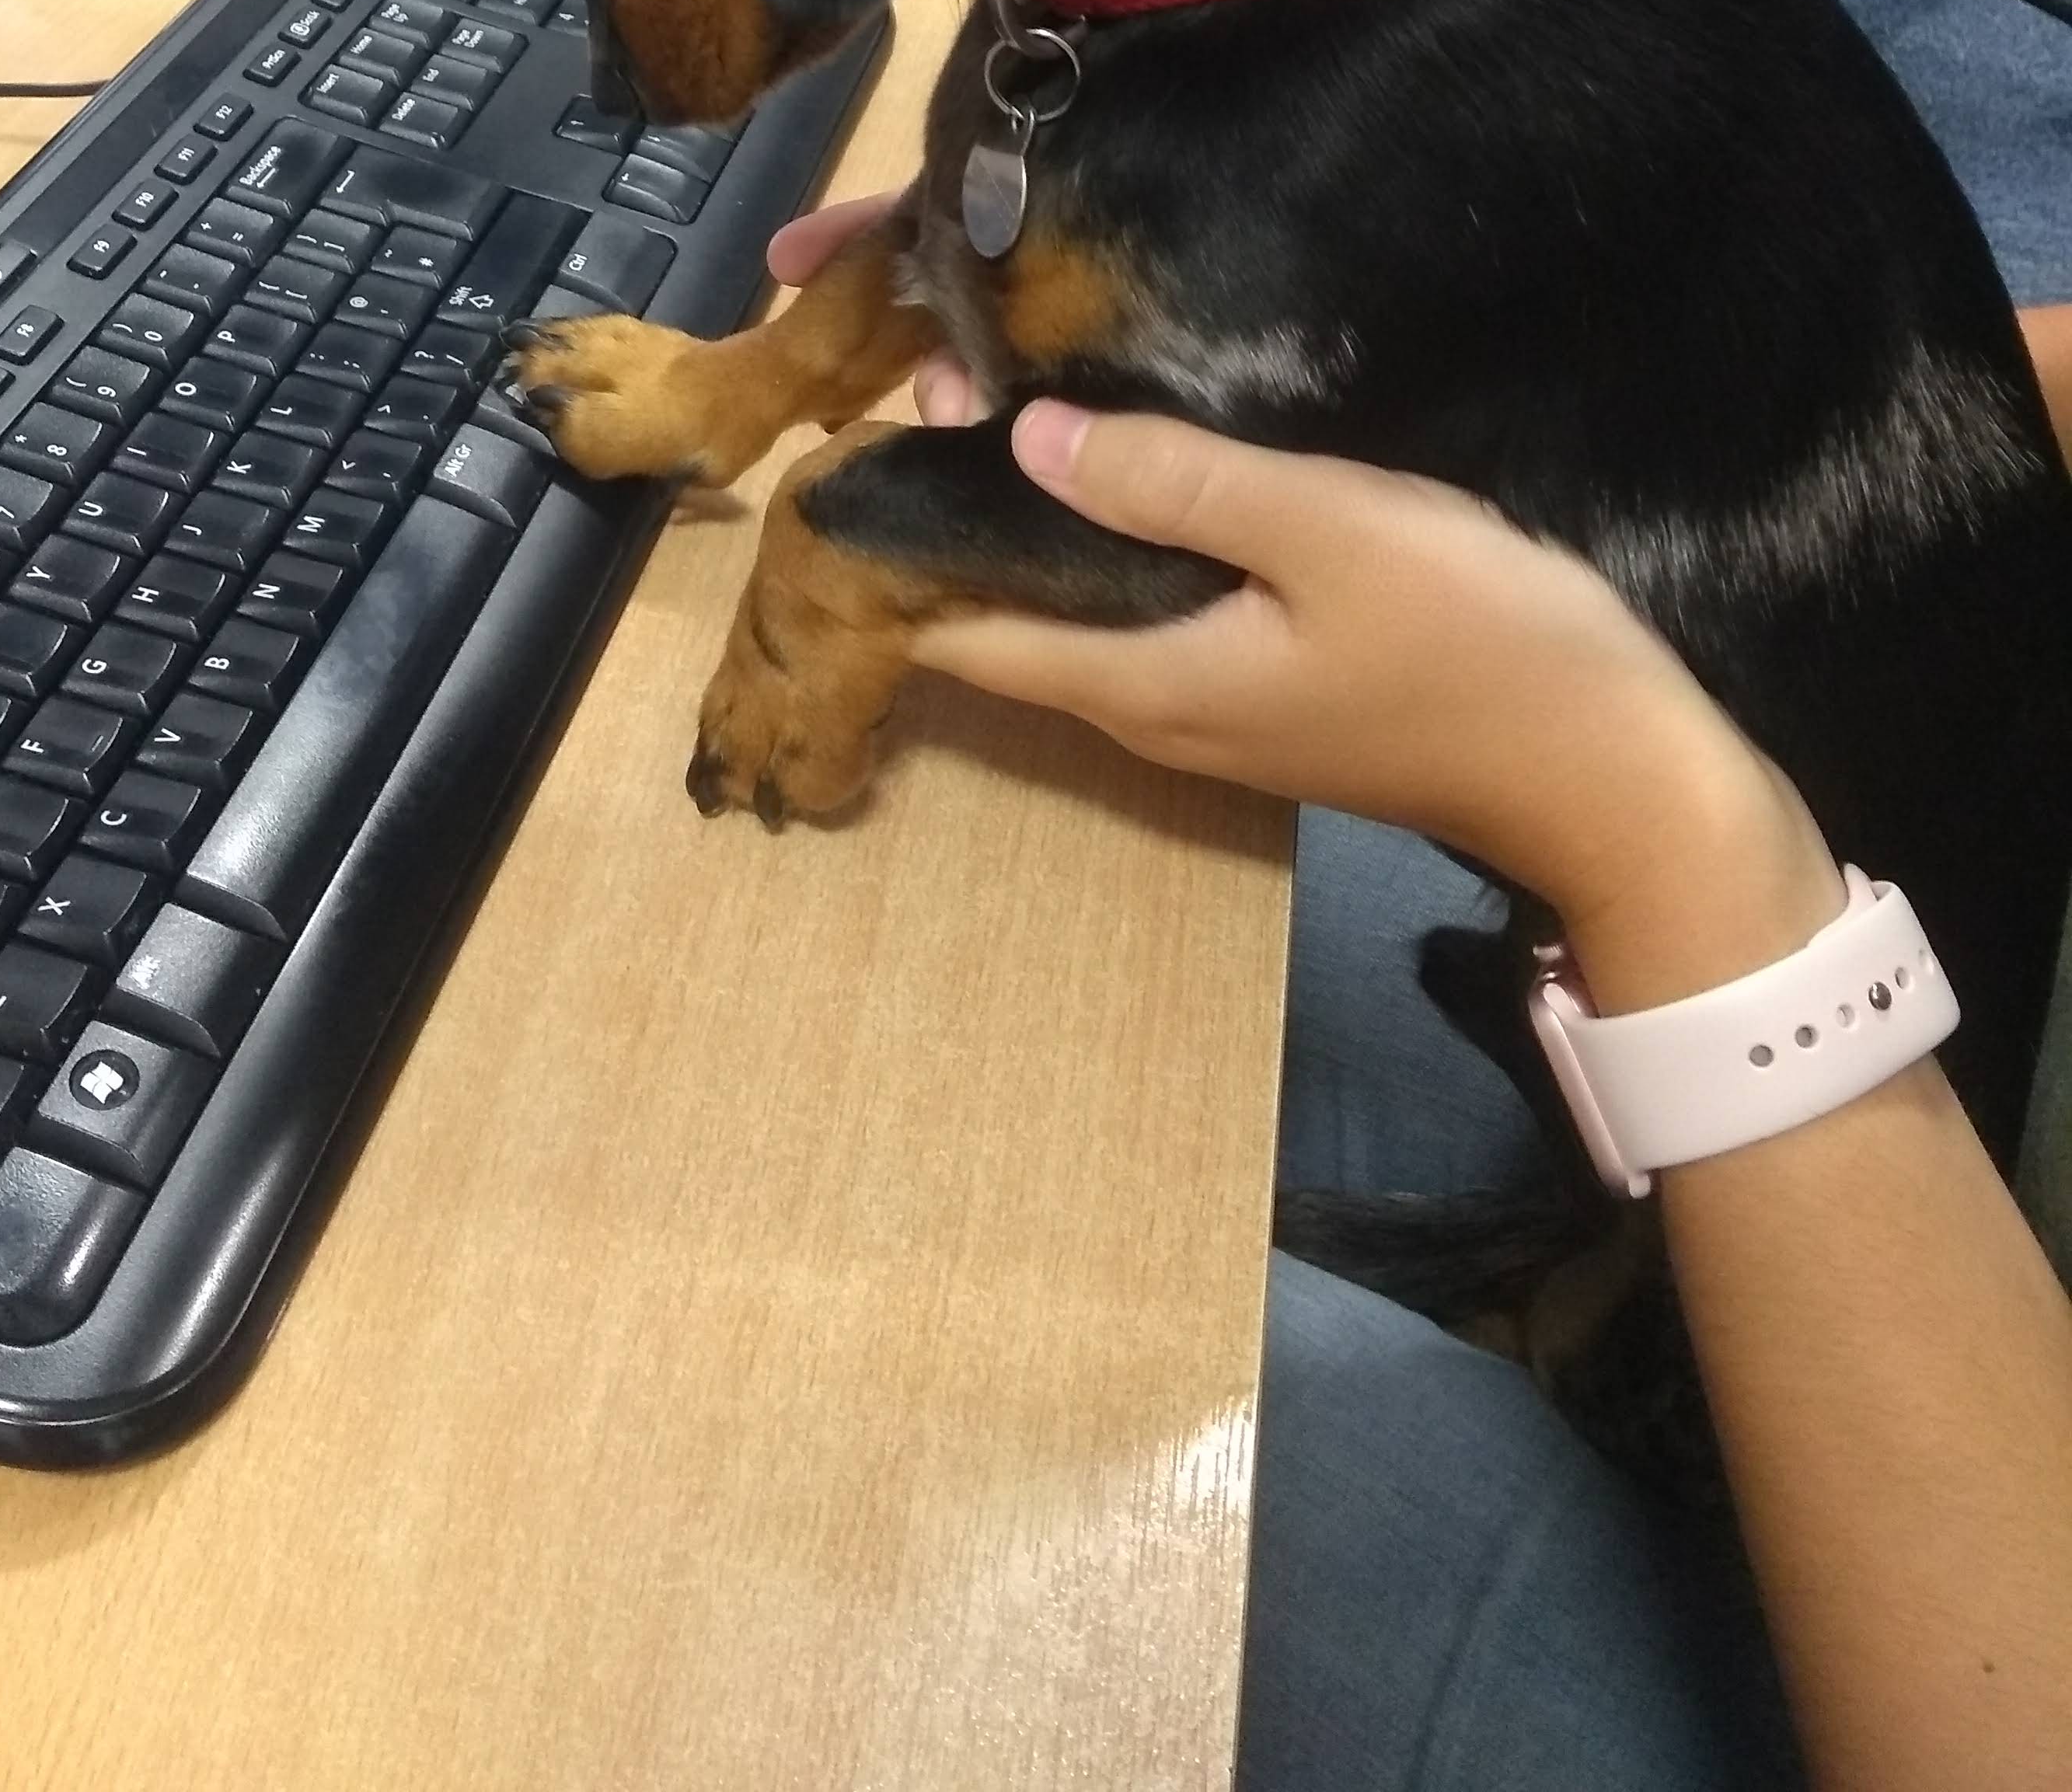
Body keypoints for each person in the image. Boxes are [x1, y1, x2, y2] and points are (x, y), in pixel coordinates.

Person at [763, 196, 2072, 1792]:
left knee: (897, 1338)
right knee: (1036, 936)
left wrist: (1659, 838)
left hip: (1961, 1605)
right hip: (1923, 902)